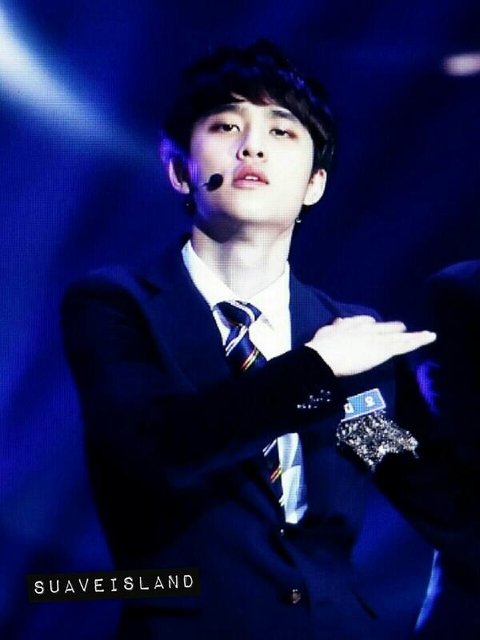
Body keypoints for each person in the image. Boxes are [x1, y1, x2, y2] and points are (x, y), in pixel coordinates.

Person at [62, 41, 457, 639]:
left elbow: (438, 502)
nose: (253, 146)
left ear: (314, 184)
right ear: (179, 169)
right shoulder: (117, 305)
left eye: (282, 131)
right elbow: (159, 452)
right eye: (226, 125)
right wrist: (316, 368)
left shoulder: (354, 336)